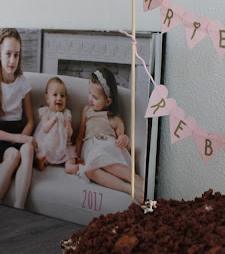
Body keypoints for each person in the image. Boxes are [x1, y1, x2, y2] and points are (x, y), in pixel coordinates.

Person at [76, 68, 144, 203]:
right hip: (91, 149)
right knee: (90, 171)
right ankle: (128, 188)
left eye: (95, 97)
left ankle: (136, 180)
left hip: (107, 147)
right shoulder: (87, 111)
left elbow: (124, 144)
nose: (90, 99)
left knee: (103, 155)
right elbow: (80, 134)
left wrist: (124, 139)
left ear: (108, 101)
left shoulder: (114, 119)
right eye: (90, 93)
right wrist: (76, 156)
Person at [0, 28, 36, 209]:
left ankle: (19, 207)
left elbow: (30, 120)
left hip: (19, 131)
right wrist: (21, 139)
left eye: (16, 55)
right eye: (8, 54)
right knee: (14, 155)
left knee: (28, 149)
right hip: (1, 138)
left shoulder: (22, 82)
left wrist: (24, 138)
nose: (12, 60)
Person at [33, 77, 78, 174]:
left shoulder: (66, 114)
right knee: (39, 152)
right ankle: (41, 162)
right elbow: (45, 129)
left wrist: (69, 129)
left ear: (66, 99)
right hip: (47, 145)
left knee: (71, 155)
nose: (59, 98)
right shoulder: (46, 112)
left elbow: (69, 135)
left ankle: (69, 166)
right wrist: (52, 121)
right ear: (47, 98)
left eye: (62, 95)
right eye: (55, 95)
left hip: (62, 146)